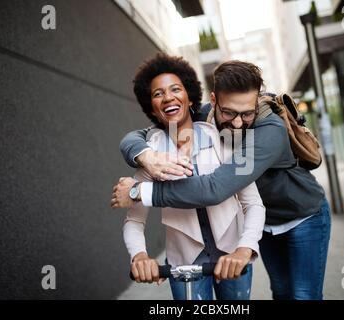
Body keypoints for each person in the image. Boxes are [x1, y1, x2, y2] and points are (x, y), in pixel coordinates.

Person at [114, 59, 331, 300]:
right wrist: (145, 155)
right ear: (214, 101)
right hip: (267, 223)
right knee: (280, 291)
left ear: (256, 102)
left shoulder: (268, 131)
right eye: (229, 112)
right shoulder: (200, 120)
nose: (237, 123)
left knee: (303, 295)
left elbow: (215, 189)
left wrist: (139, 192)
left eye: (247, 113)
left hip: (302, 214)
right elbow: (141, 134)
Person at [111, 53, 266, 300]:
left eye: (175, 89)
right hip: (183, 264)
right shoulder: (150, 156)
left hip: (233, 256)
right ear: (151, 107)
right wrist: (139, 255)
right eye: (157, 94)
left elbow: (253, 204)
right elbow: (134, 221)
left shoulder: (226, 139)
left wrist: (244, 248)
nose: (168, 97)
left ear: (190, 96)